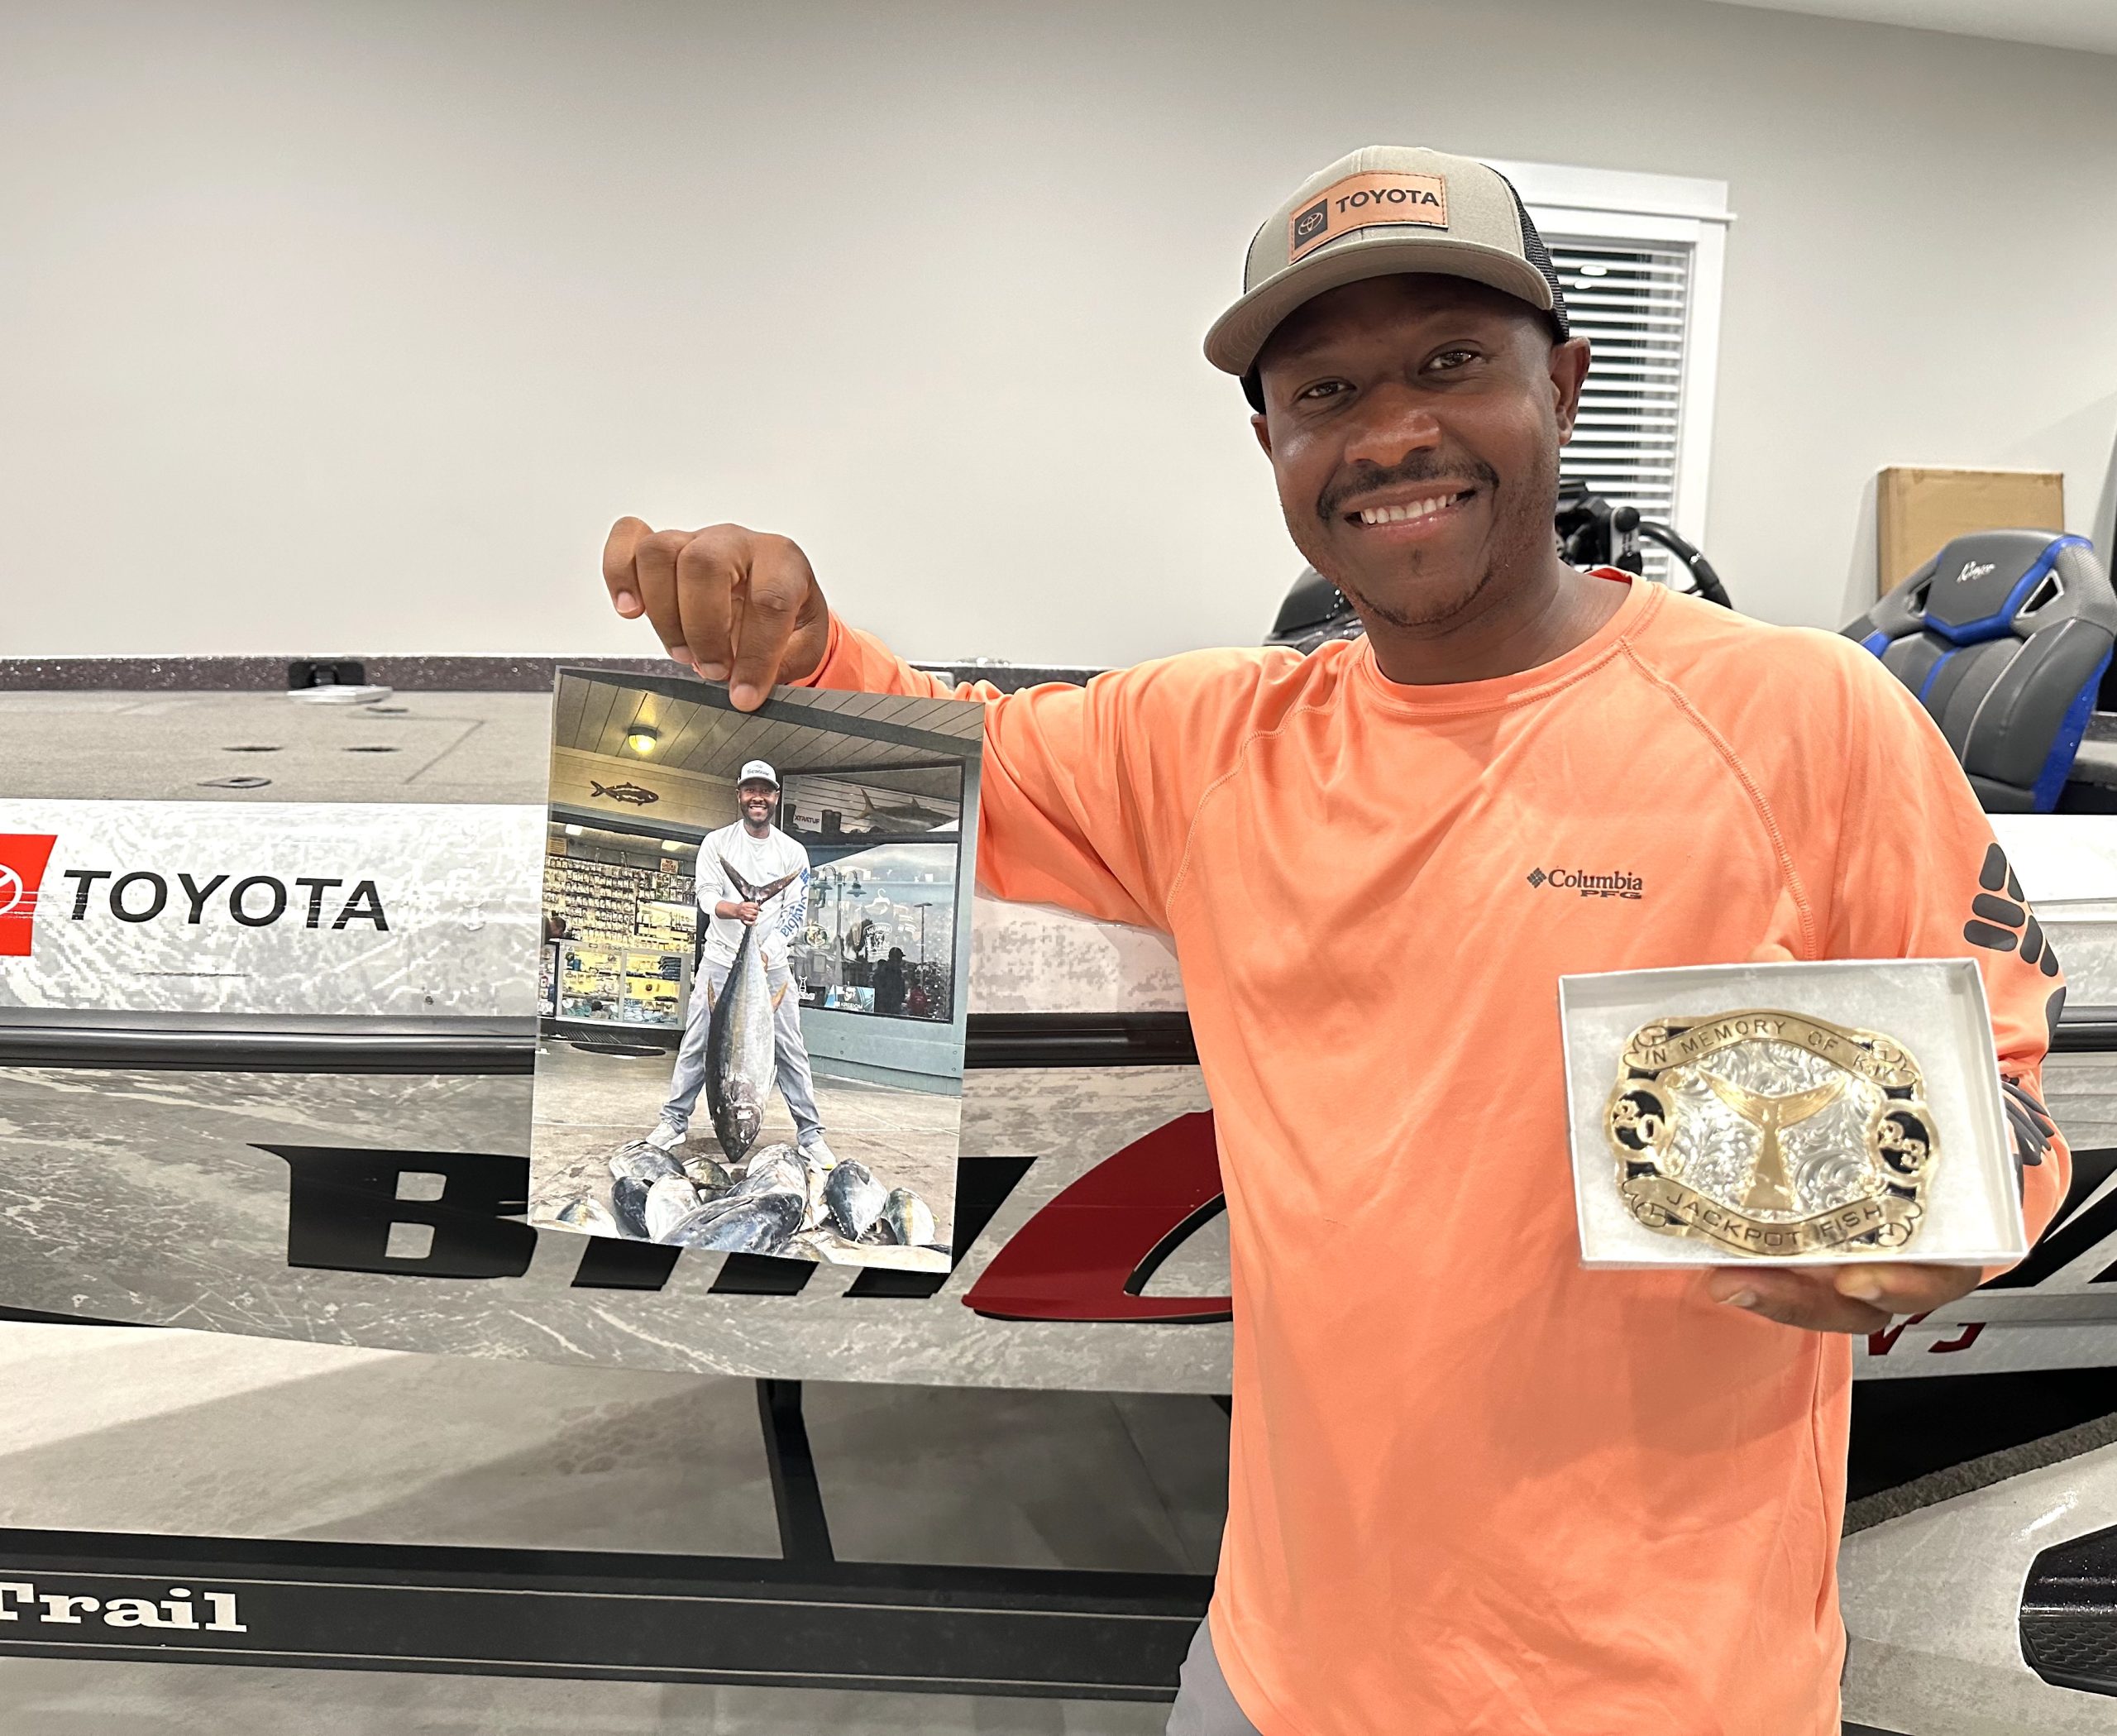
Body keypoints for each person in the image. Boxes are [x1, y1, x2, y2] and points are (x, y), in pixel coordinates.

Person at [597, 146, 2071, 1736]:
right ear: (1272, 443)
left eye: (1450, 361)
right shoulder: (1204, 740)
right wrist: (797, 641)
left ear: (1562, 382)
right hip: (1278, 1663)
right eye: (1327, 392)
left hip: (1667, 1689)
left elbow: (2004, 1086)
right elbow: (929, 756)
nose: (1391, 432)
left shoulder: (1805, 715)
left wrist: (1943, 1214)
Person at [647, 759, 835, 1167]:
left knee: (790, 1048)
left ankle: (811, 1134)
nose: (758, 798)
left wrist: (768, 949)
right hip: (719, 958)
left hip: (773, 964)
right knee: (698, 1041)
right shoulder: (717, 844)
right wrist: (736, 910)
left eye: (765, 791)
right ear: (739, 795)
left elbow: (795, 910)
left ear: (776, 797)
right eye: (751, 790)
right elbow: (705, 895)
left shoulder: (793, 852)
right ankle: (674, 1121)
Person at [874, 945, 909, 1016]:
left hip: (891, 1007)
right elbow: (882, 990)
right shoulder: (887, 971)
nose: (901, 960)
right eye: (900, 958)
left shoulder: (895, 971)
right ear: (896, 958)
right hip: (887, 1008)